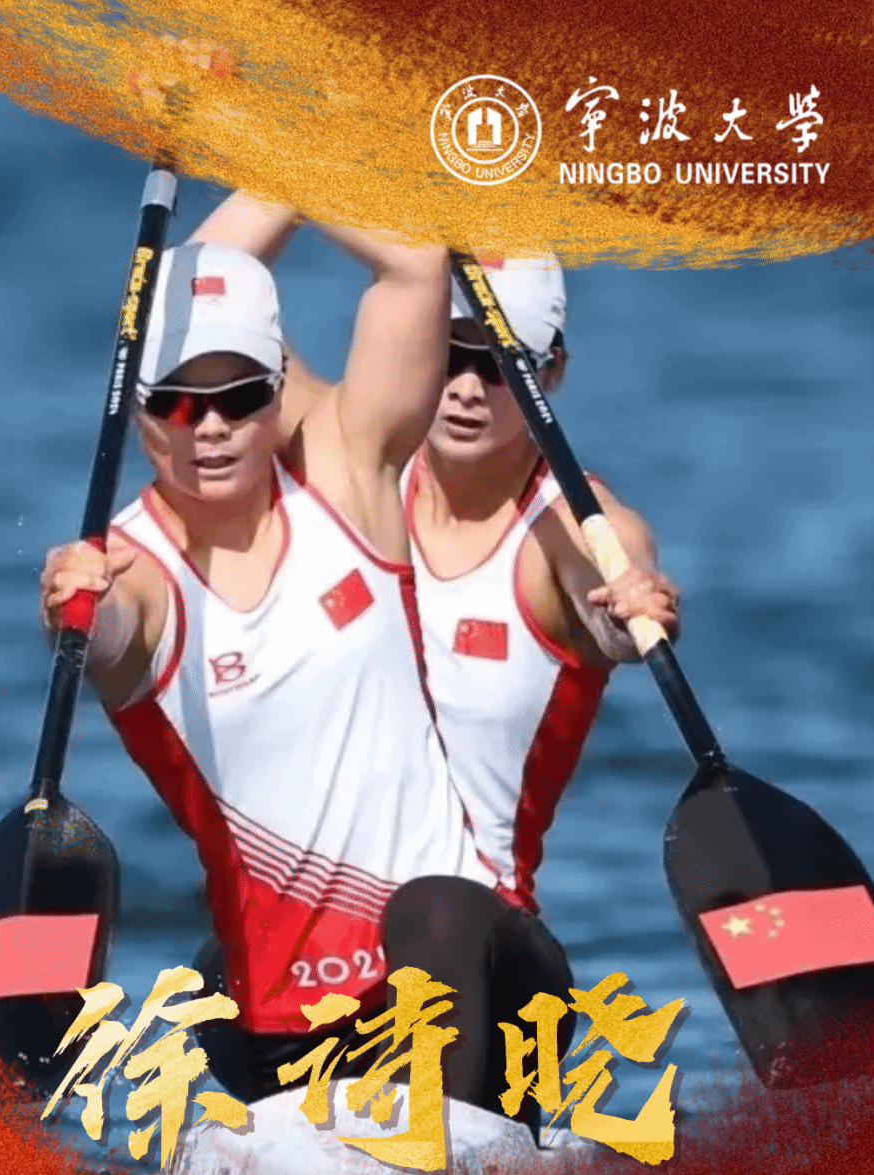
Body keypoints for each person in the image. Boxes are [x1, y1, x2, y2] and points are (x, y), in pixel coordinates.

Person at [39, 215, 577, 1113]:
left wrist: (286, 152)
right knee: (212, 972)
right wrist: (71, 611)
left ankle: (451, 1157)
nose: (210, 428)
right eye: (177, 404)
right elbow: (108, 634)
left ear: (279, 392)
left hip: (479, 986)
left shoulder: (346, 474)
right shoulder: (129, 573)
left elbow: (414, 269)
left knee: (437, 910)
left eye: (240, 397)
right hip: (288, 1025)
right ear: (137, 410)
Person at [402, 255, 681, 913]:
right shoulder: (353, 479)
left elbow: (614, 590)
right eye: (450, 356)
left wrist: (634, 611)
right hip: (324, 924)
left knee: (435, 917)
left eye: (499, 365)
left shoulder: (573, 526)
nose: (467, 388)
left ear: (551, 371)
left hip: (473, 927)